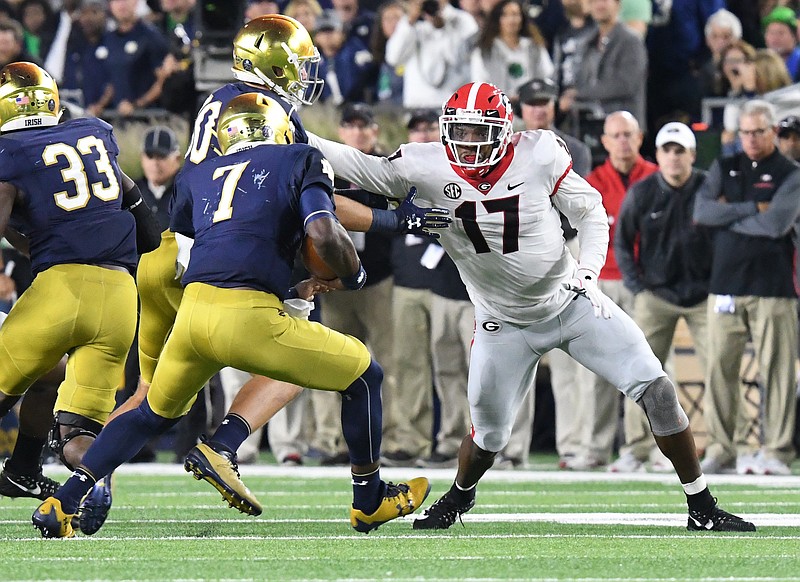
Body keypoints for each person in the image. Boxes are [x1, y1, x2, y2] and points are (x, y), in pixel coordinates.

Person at [308, 81, 754, 532]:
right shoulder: (424, 163)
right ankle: (458, 498)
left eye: (476, 133)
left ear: (503, 130)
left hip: (569, 302)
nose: (466, 144)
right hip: (502, 321)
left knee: (657, 390)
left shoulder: (538, 153)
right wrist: (292, 133)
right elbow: (355, 165)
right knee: (489, 438)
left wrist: (588, 270)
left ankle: (702, 505)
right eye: (458, 132)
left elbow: (591, 211)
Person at [32, 93, 432, 538]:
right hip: (246, 317)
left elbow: (204, 247)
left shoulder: (198, 173)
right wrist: (354, 274)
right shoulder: (300, 157)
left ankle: (64, 500)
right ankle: (369, 500)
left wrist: (286, 285)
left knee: (151, 411)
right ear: (279, 128)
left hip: (194, 310)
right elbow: (323, 229)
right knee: (364, 377)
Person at [119, 15, 448, 520]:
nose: (305, 73)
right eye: (297, 63)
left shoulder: (218, 100)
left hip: (170, 251)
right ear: (273, 64)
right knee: (301, 343)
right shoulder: (268, 112)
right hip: (215, 256)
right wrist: (391, 217)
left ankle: (84, 480)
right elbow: (318, 206)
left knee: (150, 398)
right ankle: (232, 448)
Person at [0, 62, 157, 534]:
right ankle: (67, 476)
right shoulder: (94, 133)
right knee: (75, 425)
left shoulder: (10, 151)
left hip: (61, 289)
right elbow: (144, 224)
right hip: (118, 297)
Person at [693, 99, 800, 476]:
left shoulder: (791, 173)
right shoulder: (724, 166)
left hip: (774, 286)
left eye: (758, 131)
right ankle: (723, 449)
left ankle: (776, 450)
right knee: (719, 369)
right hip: (725, 284)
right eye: (745, 132)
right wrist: (753, 208)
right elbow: (702, 213)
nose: (751, 139)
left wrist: (729, 214)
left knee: (779, 371)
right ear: (737, 135)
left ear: (772, 131)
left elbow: (778, 226)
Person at [613, 122, 713, 473]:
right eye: (667, 150)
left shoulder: (709, 187)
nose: (673, 157)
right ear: (657, 155)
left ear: (692, 155)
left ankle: (720, 449)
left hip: (704, 295)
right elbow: (622, 242)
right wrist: (637, 287)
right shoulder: (641, 193)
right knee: (639, 374)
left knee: (720, 370)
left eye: (680, 150)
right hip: (655, 294)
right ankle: (637, 449)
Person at [570, 110, 657, 471]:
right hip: (600, 283)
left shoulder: (656, 178)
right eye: (615, 135)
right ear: (604, 142)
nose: (622, 141)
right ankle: (594, 448)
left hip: (643, 283)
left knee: (646, 368)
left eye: (628, 134)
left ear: (639, 138)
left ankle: (646, 448)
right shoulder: (591, 181)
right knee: (595, 371)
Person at [136, 126, 182, 230]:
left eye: (162, 156)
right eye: (150, 156)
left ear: (177, 159)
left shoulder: (188, 193)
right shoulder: (130, 193)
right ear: (142, 158)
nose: (155, 163)